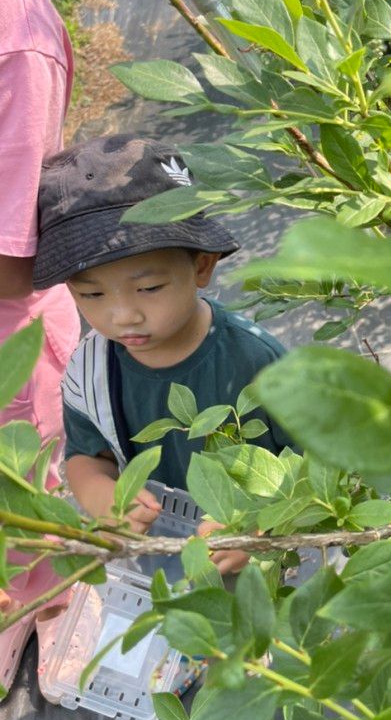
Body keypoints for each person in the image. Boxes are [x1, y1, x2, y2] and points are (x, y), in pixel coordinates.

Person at [32, 133, 293, 578]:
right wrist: (104, 500)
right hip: (160, 562)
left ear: (202, 265)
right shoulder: (91, 368)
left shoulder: (258, 361)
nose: (123, 315)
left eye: (149, 288)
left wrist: (260, 525)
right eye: (91, 294)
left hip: (263, 567)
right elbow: (85, 455)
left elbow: (309, 464)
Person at [0, 0, 82, 692]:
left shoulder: (14, 36)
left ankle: (47, 603)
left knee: (34, 499)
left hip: (12, 344)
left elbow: (11, 261)